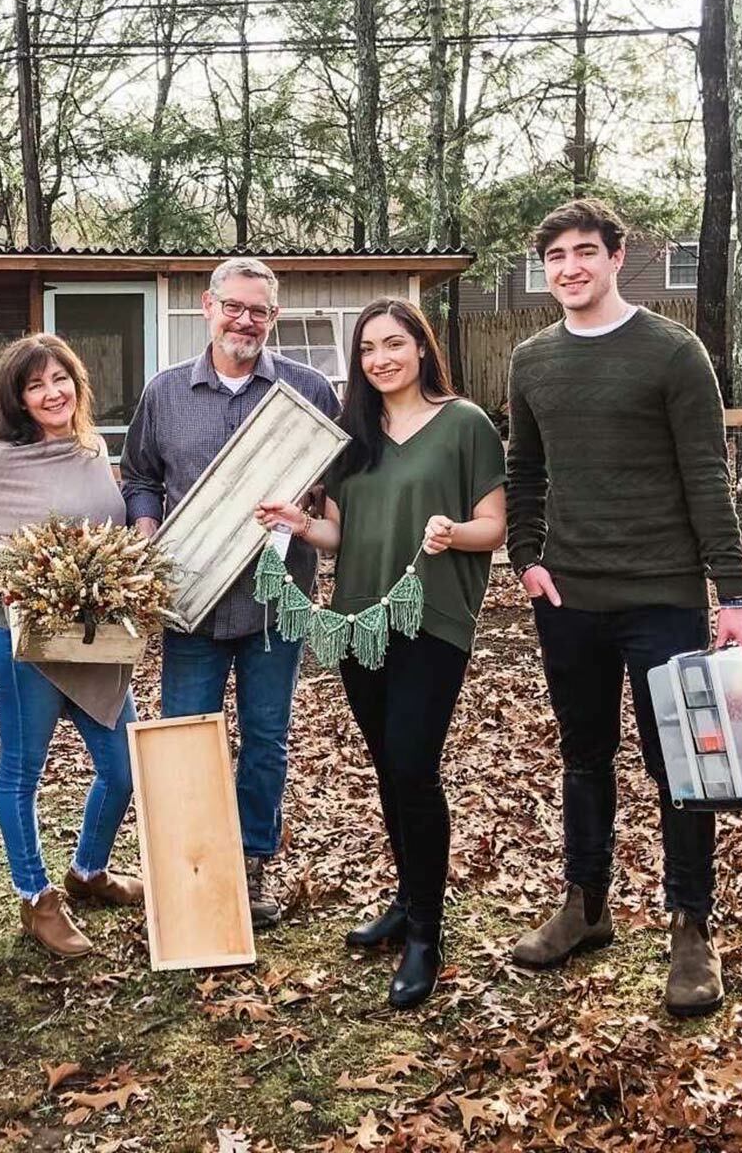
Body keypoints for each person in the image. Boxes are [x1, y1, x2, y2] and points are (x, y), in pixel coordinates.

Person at [506, 198, 742, 1018]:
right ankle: (586, 903)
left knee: (679, 767)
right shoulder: (532, 360)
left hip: (662, 595)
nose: (570, 268)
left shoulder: (672, 352)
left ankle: (691, 926)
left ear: (618, 258)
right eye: (556, 258)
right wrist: (526, 557)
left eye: (586, 252)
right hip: (570, 596)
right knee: (584, 754)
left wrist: (733, 594)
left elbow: (706, 475)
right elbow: (525, 472)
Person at [257, 299, 506, 1007]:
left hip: (433, 619)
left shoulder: (465, 425)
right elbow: (341, 535)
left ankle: (427, 931)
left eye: (394, 344)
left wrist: (452, 533)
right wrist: (299, 524)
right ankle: (405, 899)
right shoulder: (354, 434)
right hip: (358, 621)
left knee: (413, 766)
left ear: (421, 348)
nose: (380, 358)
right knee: (387, 769)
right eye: (368, 348)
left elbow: (495, 526)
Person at [120, 256, 340, 929]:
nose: (246, 320)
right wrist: (149, 534)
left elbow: (333, 489)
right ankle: (195, 864)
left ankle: (252, 860)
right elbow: (139, 477)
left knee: (266, 738)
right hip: (193, 603)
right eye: (235, 306)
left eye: (260, 311)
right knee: (190, 738)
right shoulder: (164, 393)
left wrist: (309, 517)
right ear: (206, 307)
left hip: (277, 602)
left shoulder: (307, 393)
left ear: (274, 318)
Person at [0, 335, 143, 958]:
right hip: (24, 641)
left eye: (61, 379)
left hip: (94, 639)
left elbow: (109, 533)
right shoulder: (1, 460)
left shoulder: (93, 449)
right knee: (22, 770)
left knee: (122, 768)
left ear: (77, 385)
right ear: (19, 399)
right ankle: (36, 897)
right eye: (36, 385)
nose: (51, 392)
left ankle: (87, 871)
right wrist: (28, 566)